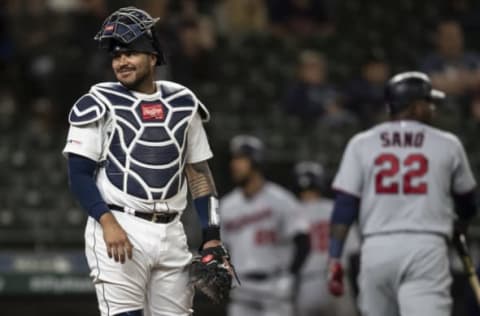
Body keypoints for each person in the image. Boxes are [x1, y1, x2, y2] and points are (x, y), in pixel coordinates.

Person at [63, 7, 227, 316]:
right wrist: (107, 222)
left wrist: (212, 238)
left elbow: (200, 175)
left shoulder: (182, 102)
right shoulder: (97, 102)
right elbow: (79, 175)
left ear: (152, 57)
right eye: (115, 56)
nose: (121, 62)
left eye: (130, 53)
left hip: (172, 231)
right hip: (118, 225)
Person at [327, 71, 478, 316]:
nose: (432, 108)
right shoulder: (447, 143)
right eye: (429, 102)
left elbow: (345, 205)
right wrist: (461, 223)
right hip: (426, 246)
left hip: (377, 247)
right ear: (415, 107)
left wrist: (334, 256)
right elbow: (468, 200)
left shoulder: (362, 142)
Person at [219, 135, 311, 316]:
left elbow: (303, 242)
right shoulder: (227, 205)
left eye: (240, 159)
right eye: (234, 159)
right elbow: (224, 249)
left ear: (256, 161)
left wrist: (292, 275)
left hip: (274, 285)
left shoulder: (281, 200)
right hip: (242, 288)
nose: (234, 164)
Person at [293, 161, 359, 316]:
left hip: (307, 284)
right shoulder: (337, 209)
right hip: (337, 282)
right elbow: (354, 255)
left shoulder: (291, 211)